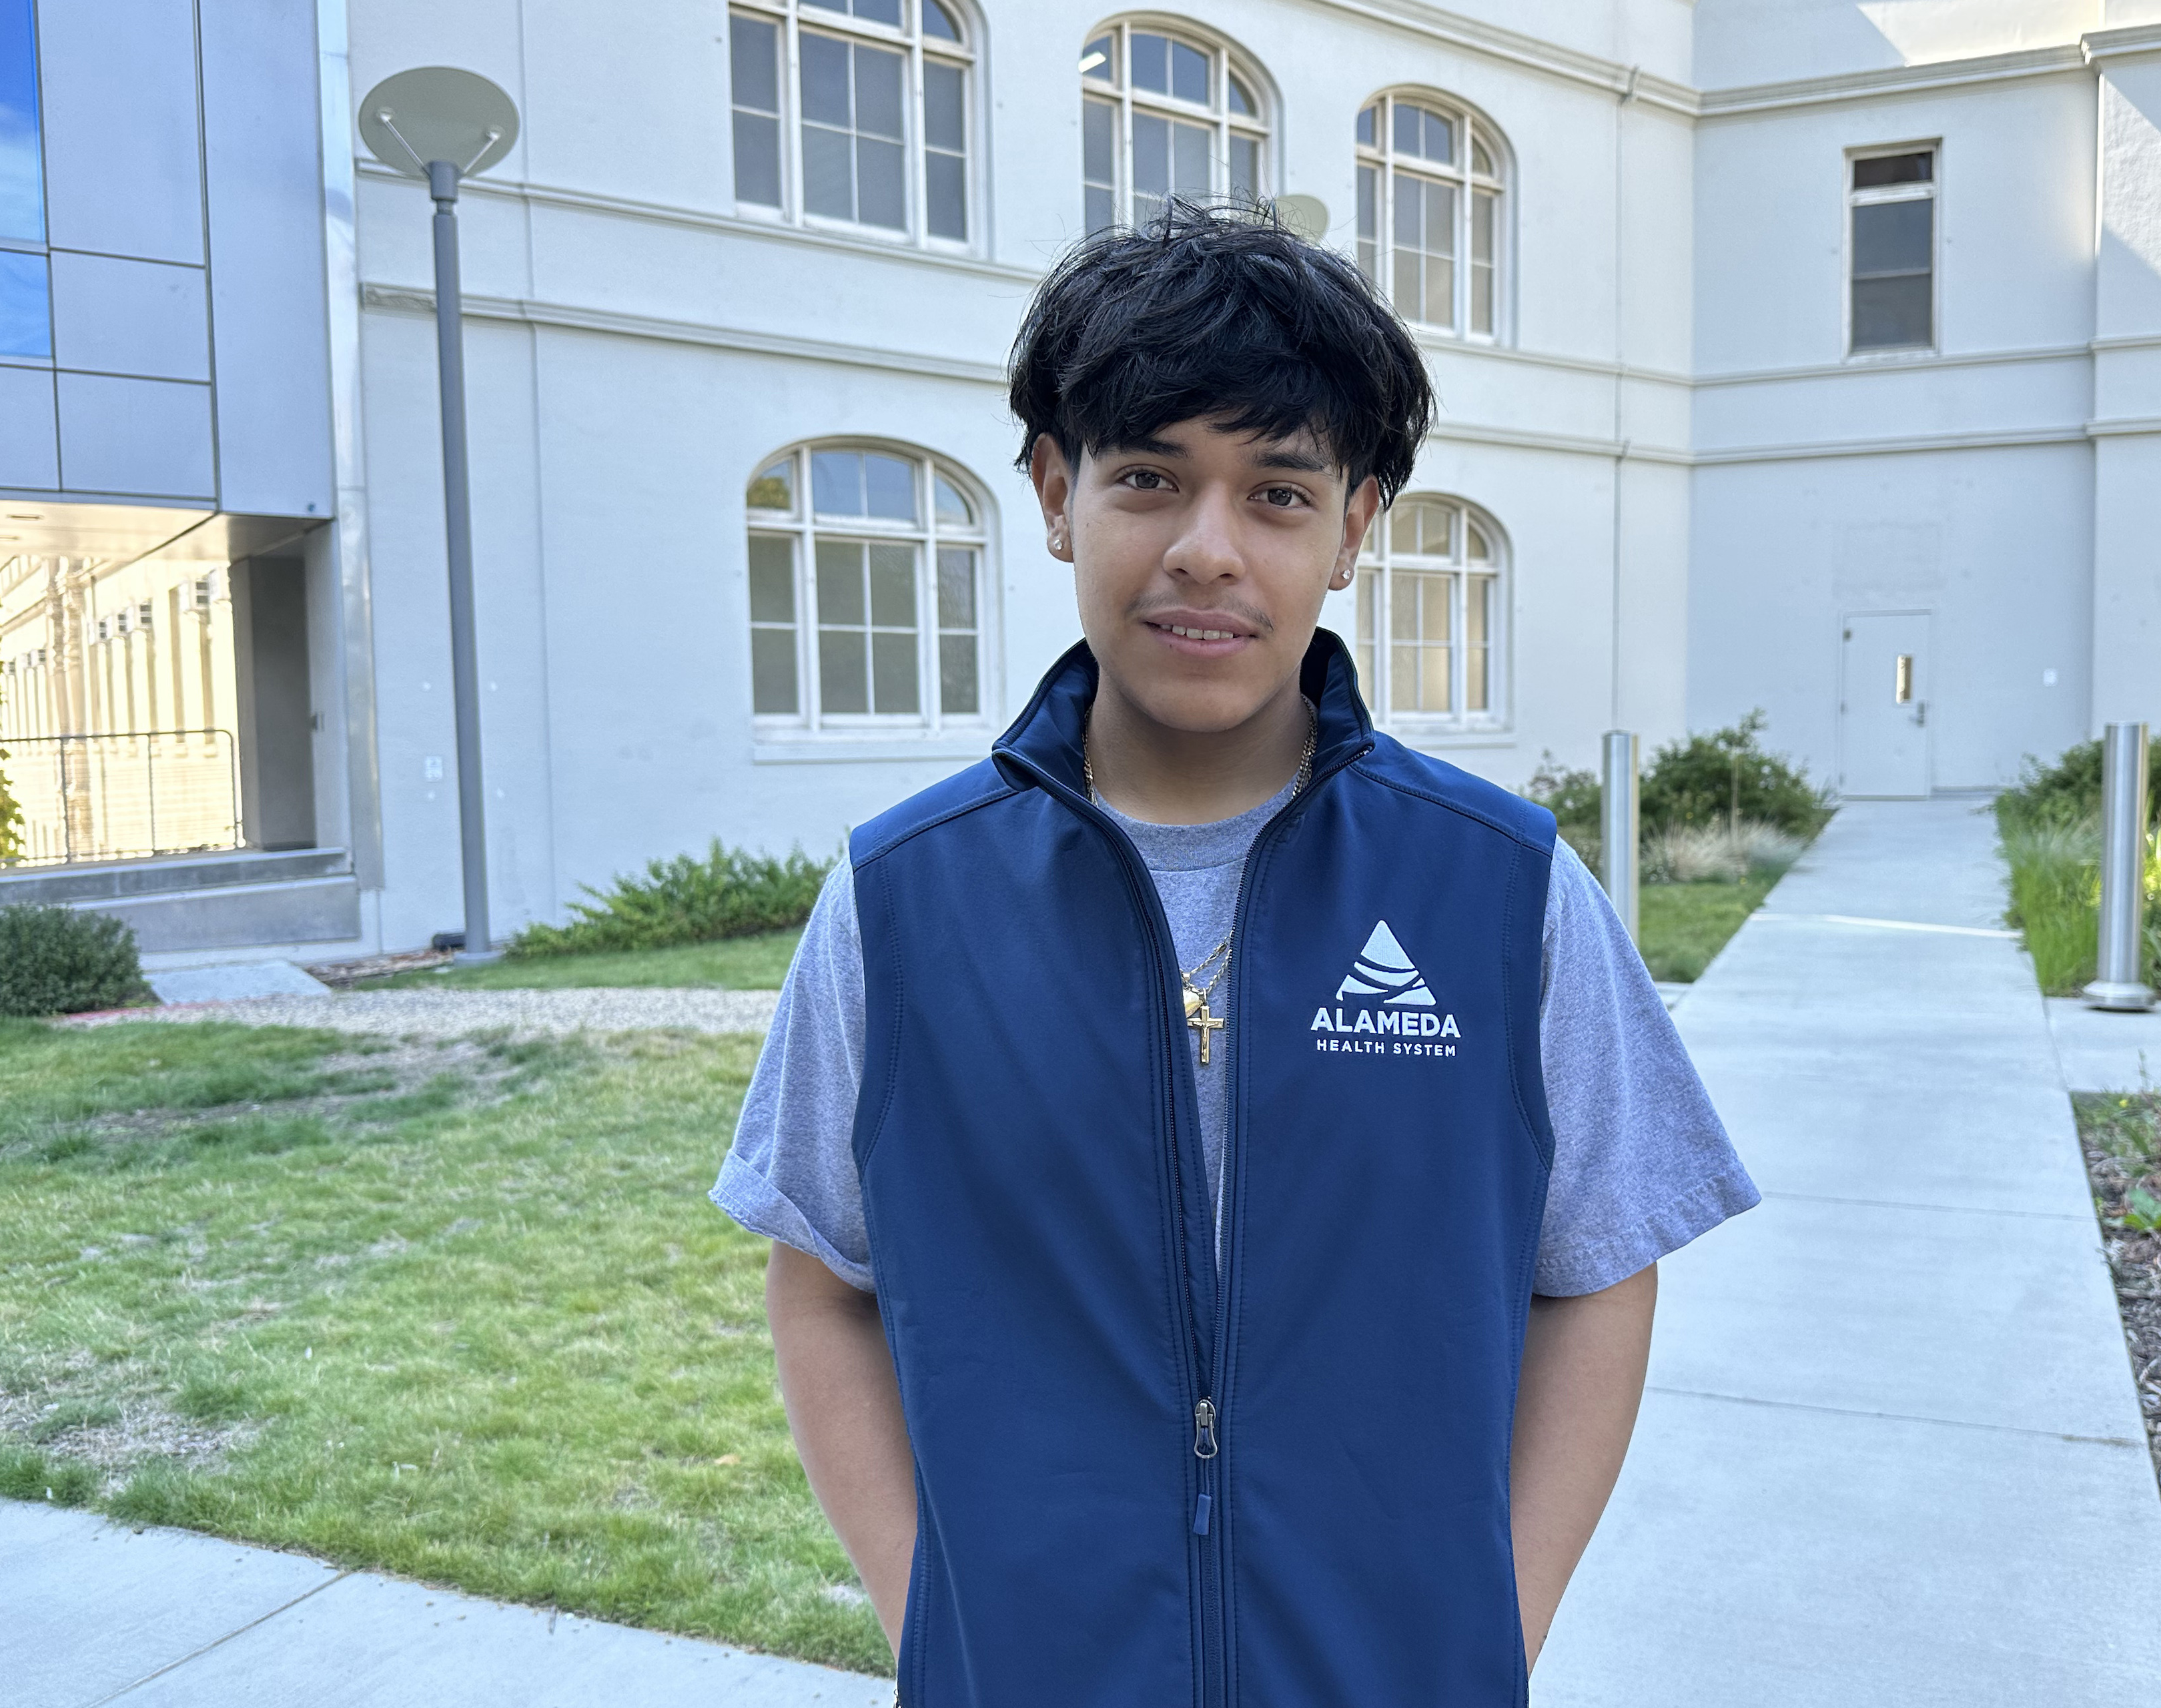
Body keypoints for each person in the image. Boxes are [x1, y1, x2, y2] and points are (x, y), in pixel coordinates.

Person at [712, 202, 1756, 1707]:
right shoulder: (901, 900)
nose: (1208, 550)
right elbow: (822, 1274)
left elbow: (1600, 1261)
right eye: (1149, 478)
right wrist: (932, 1610)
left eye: (1276, 492)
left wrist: (1489, 1625)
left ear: (1356, 528)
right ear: (1058, 493)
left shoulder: (1501, 888)